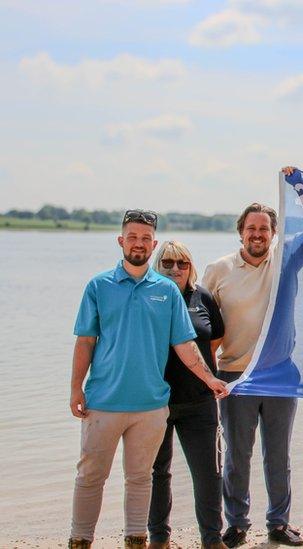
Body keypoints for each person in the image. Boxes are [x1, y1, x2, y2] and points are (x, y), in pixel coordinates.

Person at [68, 210, 228, 549]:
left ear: (151, 243)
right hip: (103, 402)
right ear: (121, 240)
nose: (138, 244)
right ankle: (80, 540)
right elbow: (85, 341)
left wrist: (210, 379)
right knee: (90, 477)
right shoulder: (98, 286)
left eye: (145, 238)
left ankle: (139, 540)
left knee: (141, 480)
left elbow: (185, 345)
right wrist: (75, 389)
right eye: (132, 237)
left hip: (153, 405)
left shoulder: (166, 293)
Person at [203, 167, 303, 548]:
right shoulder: (217, 271)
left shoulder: (286, 260)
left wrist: (299, 185)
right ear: (241, 232)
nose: (257, 235)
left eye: (264, 229)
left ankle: (278, 522)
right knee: (237, 458)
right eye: (251, 229)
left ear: (273, 234)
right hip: (235, 376)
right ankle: (237, 523)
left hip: (279, 375)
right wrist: (205, 377)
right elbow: (199, 324)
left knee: (278, 456)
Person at [147, 241, 227, 549]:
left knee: (208, 473)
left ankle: (211, 539)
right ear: (158, 266)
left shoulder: (202, 296)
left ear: (190, 266)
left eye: (182, 263)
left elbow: (215, 337)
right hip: (156, 401)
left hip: (199, 402)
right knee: (158, 473)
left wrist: (202, 374)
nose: (175, 269)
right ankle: (158, 537)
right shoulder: (149, 297)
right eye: (168, 263)